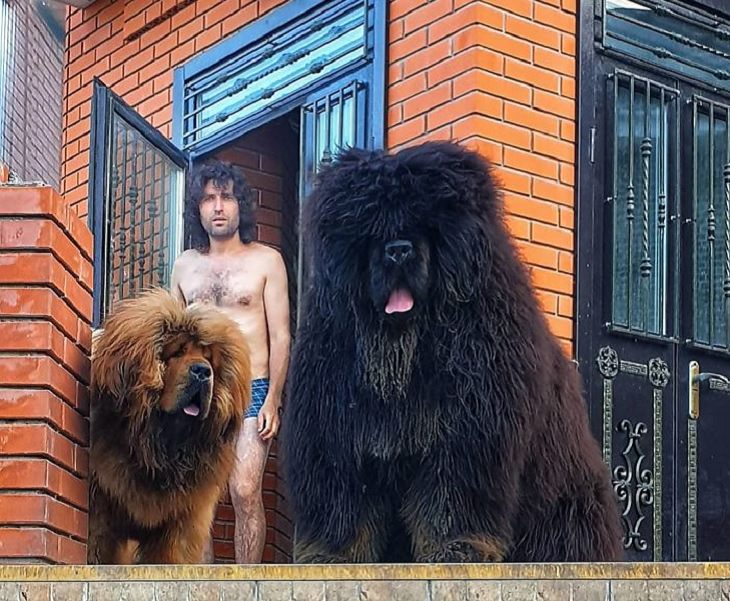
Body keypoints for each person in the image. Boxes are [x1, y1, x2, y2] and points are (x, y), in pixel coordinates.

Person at [170, 160, 291, 563]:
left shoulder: (267, 261)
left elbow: (282, 336)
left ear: (241, 205)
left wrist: (274, 397)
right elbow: (173, 336)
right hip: (197, 391)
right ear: (198, 209)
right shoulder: (184, 265)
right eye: (208, 198)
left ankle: (248, 585)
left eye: (226, 197)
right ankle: (205, 588)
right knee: (198, 496)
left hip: (252, 389)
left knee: (244, 489)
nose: (218, 206)